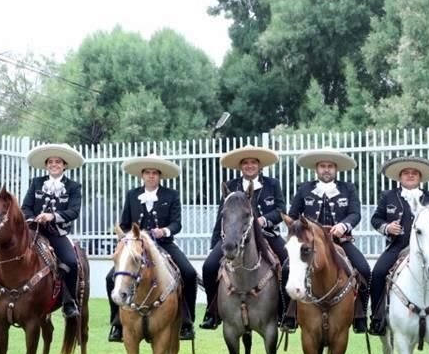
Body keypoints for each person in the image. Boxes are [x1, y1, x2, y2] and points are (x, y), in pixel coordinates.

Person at [106, 153, 197, 342]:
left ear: (160, 176)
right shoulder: (132, 195)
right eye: (147, 172)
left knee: (188, 273)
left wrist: (164, 231)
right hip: (138, 247)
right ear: (142, 175)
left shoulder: (171, 195)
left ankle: (186, 322)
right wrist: (127, 237)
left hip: (163, 245)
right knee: (110, 277)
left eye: (154, 173)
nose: (151, 176)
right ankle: (117, 323)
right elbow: (124, 224)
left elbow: (176, 223)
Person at [368, 156, 429, 336]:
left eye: (414, 173)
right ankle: (377, 318)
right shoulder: (388, 196)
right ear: (399, 177)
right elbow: (375, 219)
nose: (410, 176)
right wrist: (387, 227)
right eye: (406, 173)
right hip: (397, 247)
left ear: (420, 177)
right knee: (377, 273)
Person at [200, 145, 288, 330]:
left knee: (287, 264)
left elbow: (281, 211)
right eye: (245, 163)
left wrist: (265, 220)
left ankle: (284, 311)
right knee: (209, 266)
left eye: (253, 162)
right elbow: (221, 215)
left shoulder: (272, 184)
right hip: (235, 236)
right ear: (240, 166)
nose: (249, 165)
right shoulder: (231, 186)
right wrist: (216, 243)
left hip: (266, 235)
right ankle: (212, 311)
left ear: (260, 165)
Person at [286, 148, 371, 333]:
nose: (326, 170)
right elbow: (293, 216)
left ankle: (360, 315)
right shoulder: (304, 189)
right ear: (316, 169)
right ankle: (289, 314)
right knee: (286, 269)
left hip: (340, 242)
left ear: (336, 169)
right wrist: (303, 229)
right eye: (323, 166)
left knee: (364, 270)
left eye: (330, 166)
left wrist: (344, 226)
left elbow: (355, 214)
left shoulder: (348, 188)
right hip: (311, 245)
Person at [21, 143, 84, 318]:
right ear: (46, 165)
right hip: (34, 231)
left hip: (57, 233)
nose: (54, 164)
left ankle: (68, 301)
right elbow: (26, 207)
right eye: (50, 162)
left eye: (58, 162)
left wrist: (52, 216)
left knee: (71, 262)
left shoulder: (74, 187)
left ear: (64, 165)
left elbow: (74, 211)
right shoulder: (36, 182)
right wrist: (32, 219)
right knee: (4, 251)